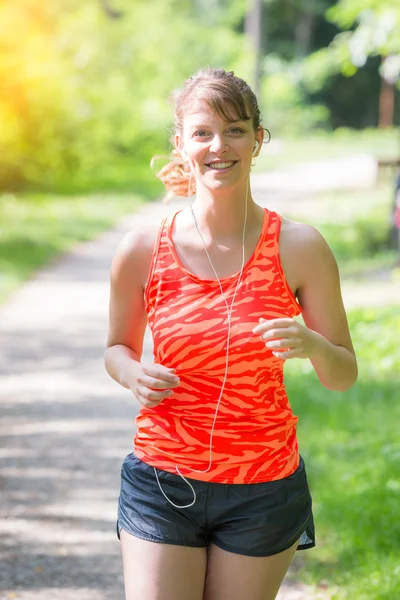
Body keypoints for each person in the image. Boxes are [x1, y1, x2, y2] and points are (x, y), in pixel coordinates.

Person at [104, 67, 358, 600]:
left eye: (236, 129)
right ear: (181, 144)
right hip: (163, 477)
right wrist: (132, 372)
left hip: (264, 488)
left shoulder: (300, 247)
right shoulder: (143, 248)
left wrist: (312, 345)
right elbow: (116, 349)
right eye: (203, 133)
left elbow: (343, 375)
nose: (220, 146)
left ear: (258, 140)